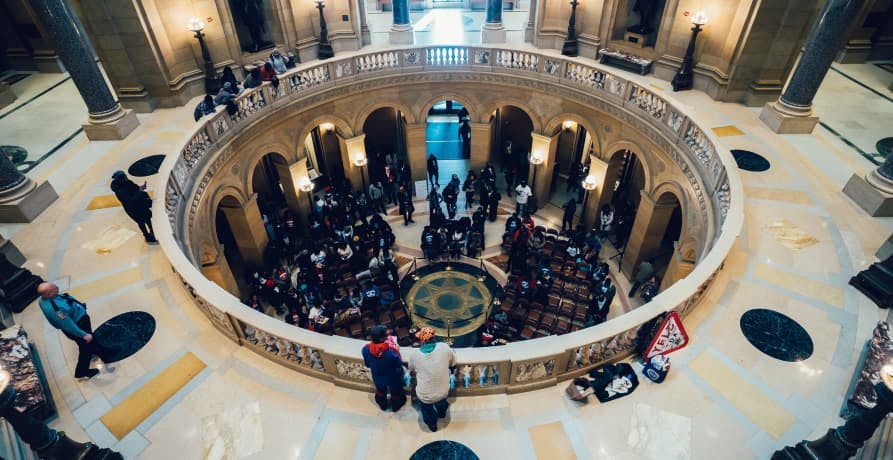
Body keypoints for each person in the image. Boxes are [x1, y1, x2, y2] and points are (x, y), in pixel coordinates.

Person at [37, 282, 106, 379]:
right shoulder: (55, 310)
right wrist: (83, 335)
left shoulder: (43, 299)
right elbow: (67, 324)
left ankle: (102, 352)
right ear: (48, 294)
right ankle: (81, 371)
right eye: (54, 288)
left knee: (89, 343)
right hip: (78, 326)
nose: (57, 287)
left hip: (78, 321)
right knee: (86, 348)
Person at [408, 327, 456, 432]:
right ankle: (442, 413)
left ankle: (432, 424)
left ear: (422, 340)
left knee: (426, 408)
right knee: (441, 400)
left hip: (425, 396)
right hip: (443, 391)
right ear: (434, 337)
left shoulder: (415, 355)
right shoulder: (444, 347)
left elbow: (411, 368)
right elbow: (453, 362)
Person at [362, 325, 406, 411]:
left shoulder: (366, 349)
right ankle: (395, 406)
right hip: (392, 377)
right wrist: (396, 349)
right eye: (386, 335)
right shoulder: (390, 352)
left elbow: (367, 364)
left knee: (381, 391)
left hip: (377, 376)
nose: (388, 336)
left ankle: (383, 405)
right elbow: (398, 364)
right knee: (395, 392)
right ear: (381, 339)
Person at [110, 170, 157, 243]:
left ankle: (152, 231)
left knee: (147, 218)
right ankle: (147, 236)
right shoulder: (119, 191)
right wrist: (139, 192)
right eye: (124, 176)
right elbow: (129, 199)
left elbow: (134, 188)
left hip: (140, 204)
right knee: (141, 222)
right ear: (121, 179)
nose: (126, 177)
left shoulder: (127, 182)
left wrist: (139, 188)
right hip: (133, 209)